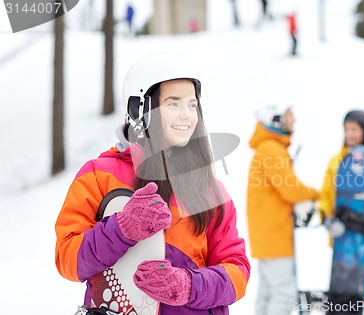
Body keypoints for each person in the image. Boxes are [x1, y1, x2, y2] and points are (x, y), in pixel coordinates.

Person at [55, 53, 250, 315]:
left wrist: (190, 286)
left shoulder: (210, 189)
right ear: (139, 109)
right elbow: (67, 259)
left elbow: (238, 271)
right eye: (173, 104)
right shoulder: (99, 175)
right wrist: (121, 229)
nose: (187, 116)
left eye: (193, 105)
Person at [247, 104, 319, 315]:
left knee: (268, 292)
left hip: (268, 234)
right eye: (289, 115)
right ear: (277, 119)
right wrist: (318, 194)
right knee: (283, 294)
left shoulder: (268, 148)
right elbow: (291, 189)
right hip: (275, 234)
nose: (294, 119)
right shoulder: (271, 149)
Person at [319, 110, 364, 315]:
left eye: (354, 129)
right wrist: (327, 219)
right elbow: (326, 197)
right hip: (343, 242)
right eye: (346, 130)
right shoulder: (337, 161)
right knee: (344, 296)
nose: (349, 134)